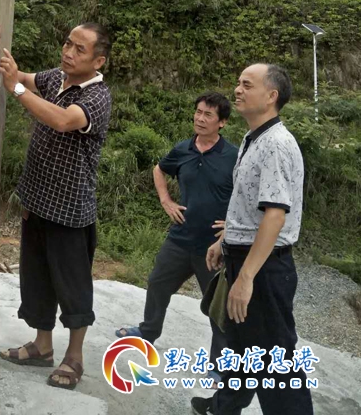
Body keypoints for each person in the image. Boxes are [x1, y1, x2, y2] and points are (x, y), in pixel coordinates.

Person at [191, 64, 314, 415]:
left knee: (276, 361)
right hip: (245, 257)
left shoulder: (275, 144)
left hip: (263, 267)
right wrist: (226, 240)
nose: (238, 90)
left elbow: (275, 215)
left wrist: (246, 278)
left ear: (271, 96)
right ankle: (223, 406)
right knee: (243, 346)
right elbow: (249, 204)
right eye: (238, 83)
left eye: (247, 84)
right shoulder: (253, 137)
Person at [0, 23, 112, 391]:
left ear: (98, 61)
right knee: (37, 278)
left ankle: (74, 358)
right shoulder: (56, 78)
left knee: (73, 286)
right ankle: (42, 346)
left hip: (70, 210)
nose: (68, 52)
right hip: (37, 201)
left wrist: (15, 88)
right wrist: (10, 71)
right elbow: (27, 79)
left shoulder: (97, 97)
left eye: (80, 49)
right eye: (67, 43)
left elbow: (62, 120)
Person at [116, 93, 238, 386]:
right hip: (180, 238)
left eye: (208, 115)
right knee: (158, 283)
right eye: (198, 112)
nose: (200, 118)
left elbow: (249, 193)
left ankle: (219, 365)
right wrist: (165, 200)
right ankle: (148, 332)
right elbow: (159, 169)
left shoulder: (234, 156)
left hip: (213, 246)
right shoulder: (183, 149)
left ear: (222, 122)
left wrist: (234, 226)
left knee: (217, 305)